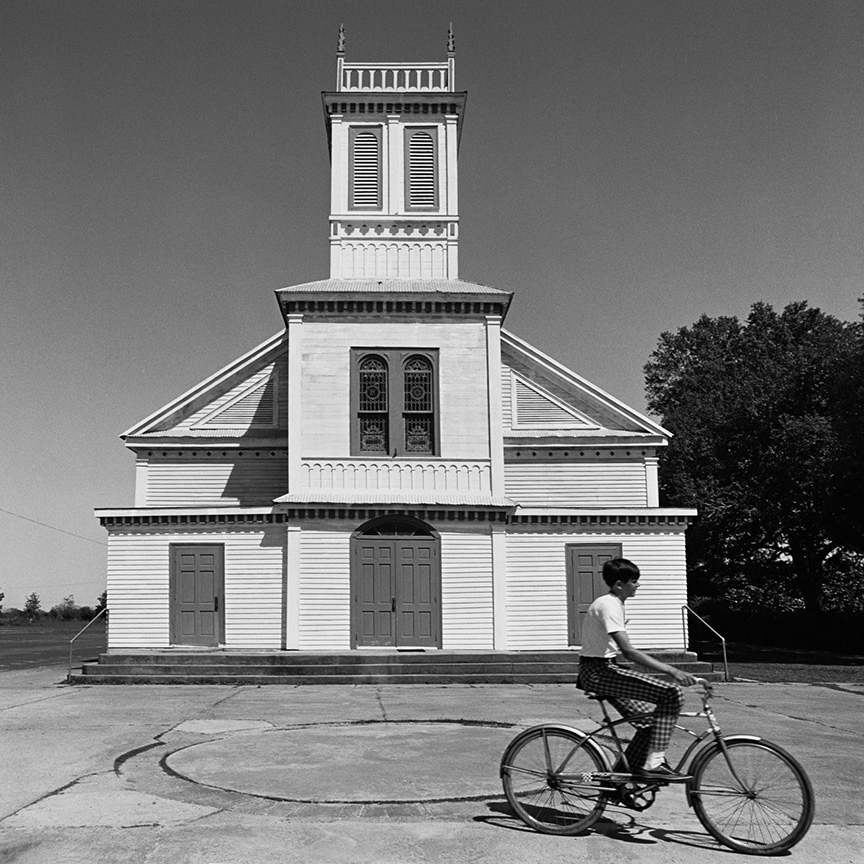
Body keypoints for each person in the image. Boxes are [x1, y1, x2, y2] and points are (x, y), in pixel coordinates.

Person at [578, 557, 698, 780]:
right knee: (671, 693)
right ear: (619, 585)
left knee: (651, 724)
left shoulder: (614, 603)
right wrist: (672, 671)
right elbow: (628, 651)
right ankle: (653, 764)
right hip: (598, 672)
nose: (638, 585)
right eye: (634, 581)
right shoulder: (608, 605)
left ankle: (620, 780)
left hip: (604, 669)